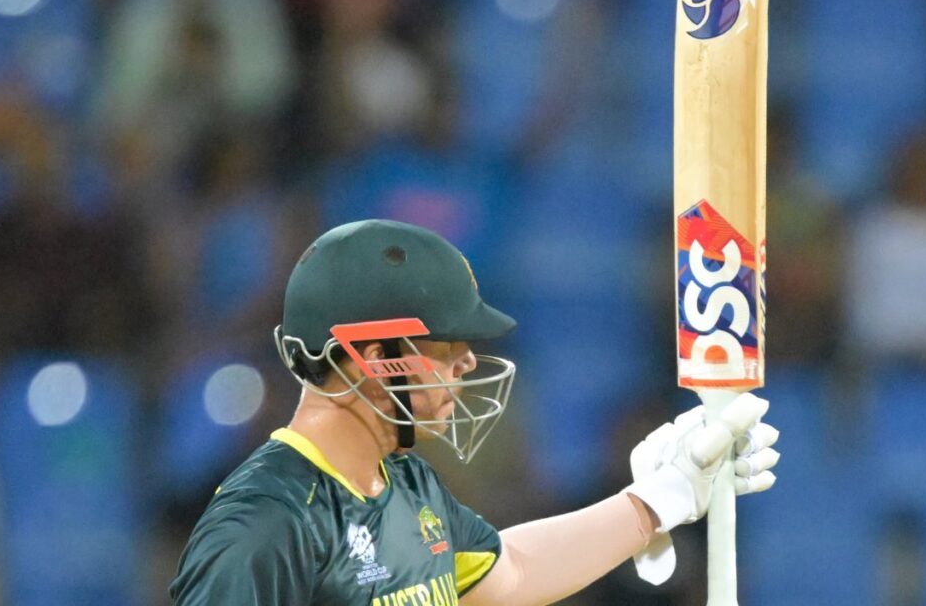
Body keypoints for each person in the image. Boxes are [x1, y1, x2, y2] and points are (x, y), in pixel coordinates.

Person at [169, 219, 779, 605]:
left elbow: (511, 573)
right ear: (372, 357)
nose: (465, 364)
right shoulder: (267, 520)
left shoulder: (408, 485)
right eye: (445, 345)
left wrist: (658, 500)